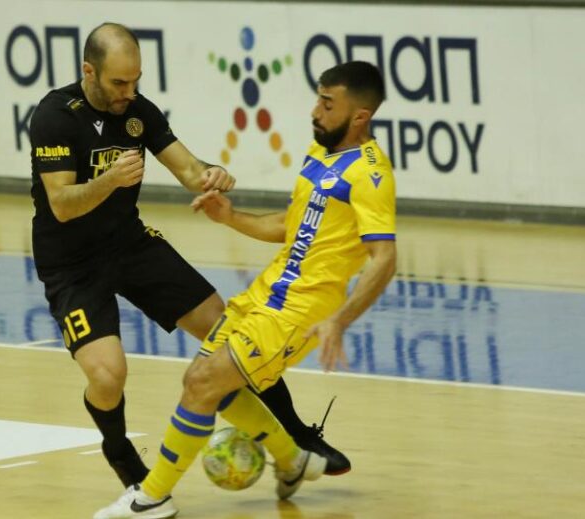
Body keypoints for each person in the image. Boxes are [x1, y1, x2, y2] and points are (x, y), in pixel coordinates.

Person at [29, 22, 349, 493]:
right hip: (71, 264)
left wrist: (212, 176)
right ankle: (119, 452)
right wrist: (110, 181)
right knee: (107, 374)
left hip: (131, 244)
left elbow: (188, 168)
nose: (128, 93)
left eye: (136, 81)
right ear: (88, 71)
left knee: (228, 332)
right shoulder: (55, 116)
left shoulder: (138, 111)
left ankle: (296, 438)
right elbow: (61, 203)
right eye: (119, 83)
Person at [93, 60, 396, 519]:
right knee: (208, 384)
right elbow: (288, 226)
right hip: (265, 293)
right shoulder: (322, 154)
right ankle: (293, 461)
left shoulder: (371, 175)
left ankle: (149, 498)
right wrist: (229, 216)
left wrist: (338, 320)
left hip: (298, 312)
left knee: (201, 383)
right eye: (317, 98)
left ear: (360, 117)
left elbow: (384, 259)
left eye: (327, 104)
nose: (315, 111)